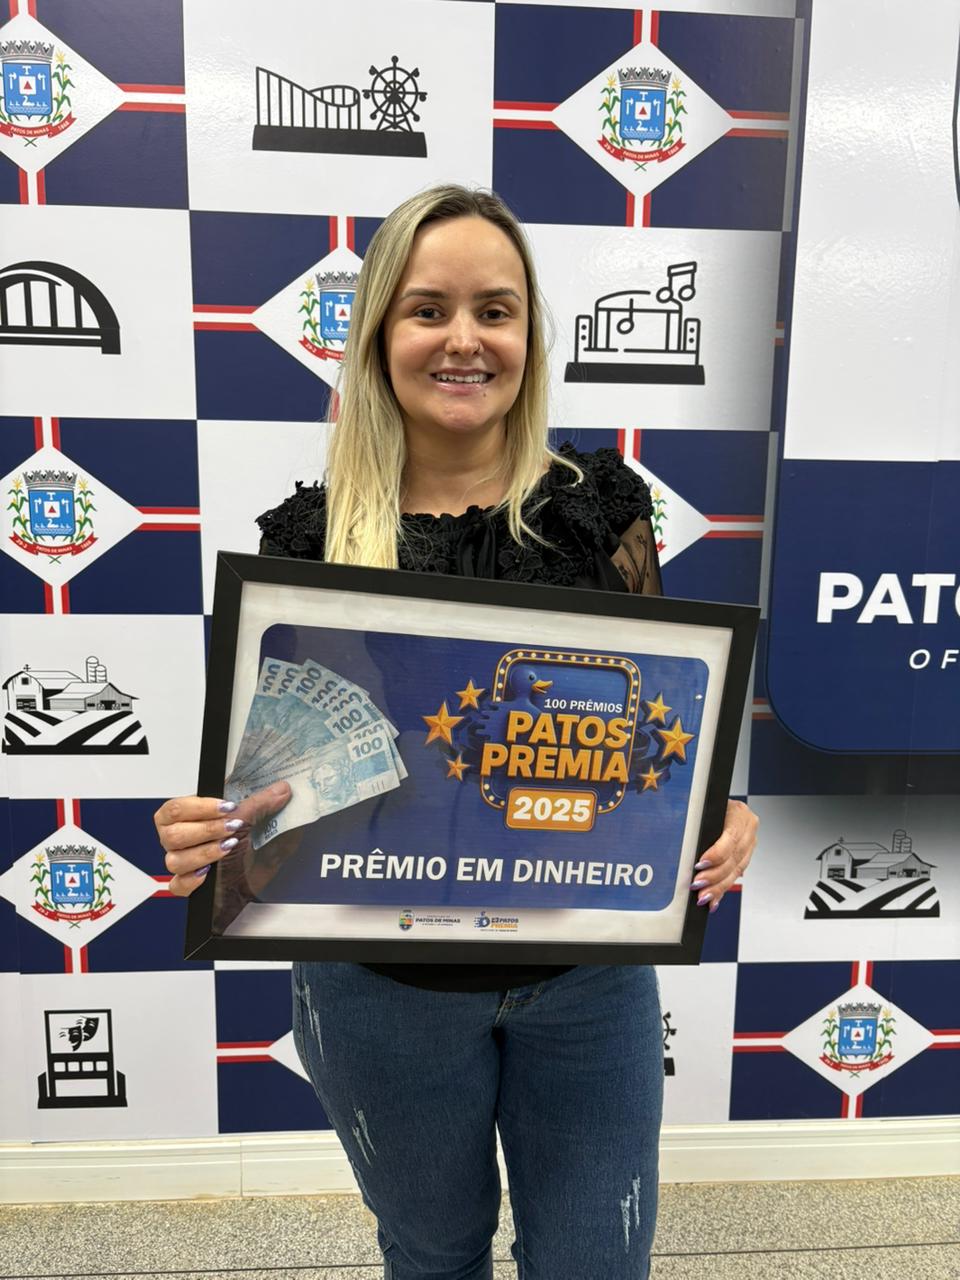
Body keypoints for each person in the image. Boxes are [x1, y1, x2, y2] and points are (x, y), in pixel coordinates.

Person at [155, 185, 759, 1280]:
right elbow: (270, 790)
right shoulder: (305, 544)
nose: (465, 339)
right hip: (376, 988)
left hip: (588, 977)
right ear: (379, 335)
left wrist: (723, 807)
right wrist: (212, 834)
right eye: (428, 309)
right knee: (432, 1256)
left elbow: (659, 733)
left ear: (530, 334)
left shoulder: (603, 511)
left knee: (597, 1262)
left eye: (496, 309)